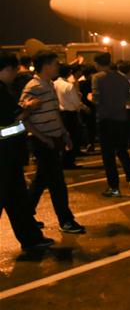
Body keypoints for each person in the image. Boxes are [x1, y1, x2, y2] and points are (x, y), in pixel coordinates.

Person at [19, 50, 85, 234]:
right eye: (55, 64)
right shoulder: (33, 87)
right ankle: (66, 221)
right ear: (46, 65)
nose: (58, 67)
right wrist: (43, 138)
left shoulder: (48, 85)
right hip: (42, 142)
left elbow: (55, 113)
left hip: (53, 139)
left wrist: (64, 134)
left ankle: (26, 216)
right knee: (57, 183)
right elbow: (23, 118)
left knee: (41, 180)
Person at [1, 53, 54, 252]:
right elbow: (15, 117)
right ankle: (31, 239)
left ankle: (31, 239)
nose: (15, 75)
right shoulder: (1, 91)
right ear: (7, 69)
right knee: (14, 198)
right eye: (14, 71)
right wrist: (29, 107)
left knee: (17, 201)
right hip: (5, 156)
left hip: (9, 157)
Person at [92, 53, 130, 197]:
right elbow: (129, 96)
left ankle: (114, 187)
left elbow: (96, 98)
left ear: (98, 63)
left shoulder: (97, 78)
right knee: (122, 150)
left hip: (105, 119)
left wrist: (91, 98)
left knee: (108, 155)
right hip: (121, 118)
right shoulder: (122, 78)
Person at [54, 63, 84, 169]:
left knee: (63, 137)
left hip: (59, 113)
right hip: (70, 114)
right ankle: (69, 162)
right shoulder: (68, 85)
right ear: (69, 72)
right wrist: (79, 99)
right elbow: (76, 103)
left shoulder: (54, 83)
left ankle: (63, 159)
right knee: (72, 138)